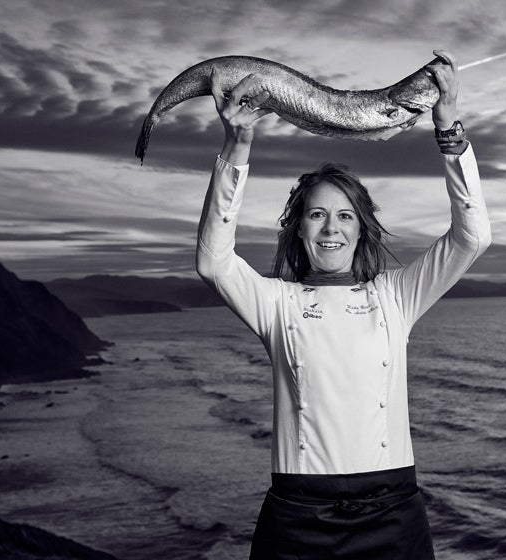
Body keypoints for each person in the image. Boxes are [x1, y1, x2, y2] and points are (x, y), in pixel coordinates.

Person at [196, 50, 491, 559]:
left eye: (345, 217)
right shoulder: (277, 303)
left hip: (393, 512)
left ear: (362, 229)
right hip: (298, 516)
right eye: (317, 215)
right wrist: (237, 147)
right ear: (299, 228)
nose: (331, 228)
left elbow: (473, 237)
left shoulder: (396, 295)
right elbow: (214, 262)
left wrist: (448, 130)